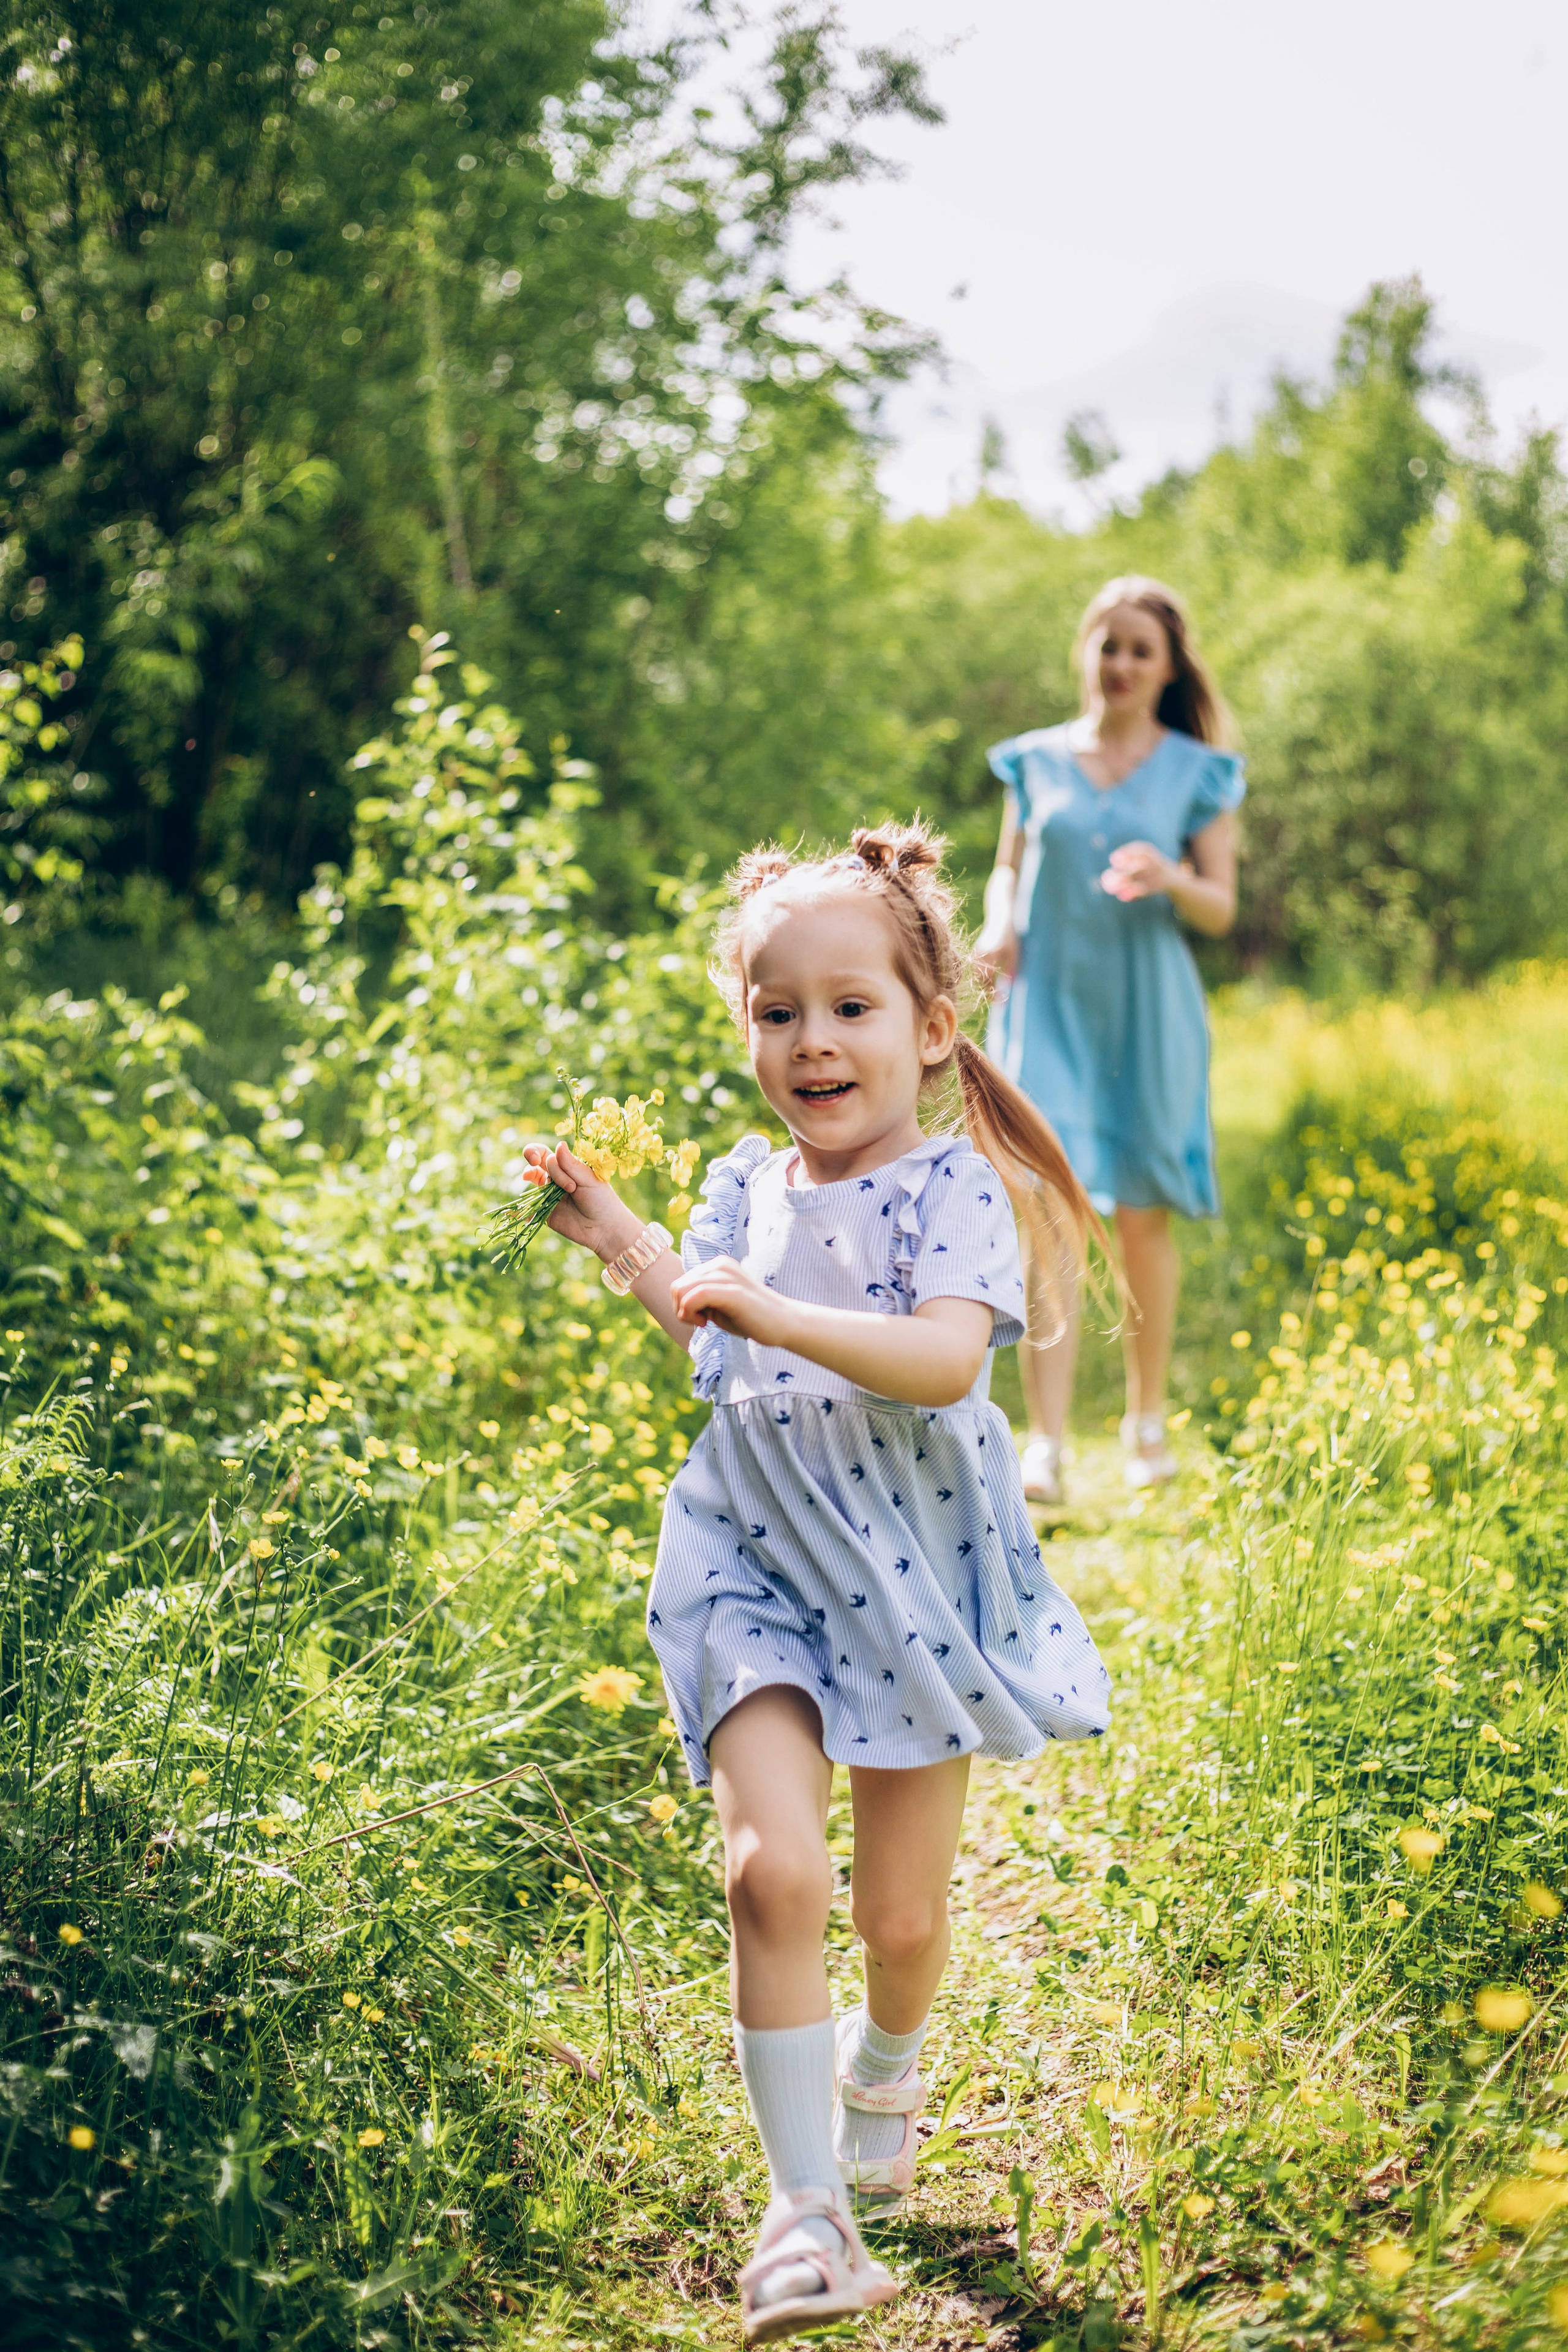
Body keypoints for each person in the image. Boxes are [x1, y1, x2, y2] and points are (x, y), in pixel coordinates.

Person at [522, 823, 1109, 2345]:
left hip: (906, 1571)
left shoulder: (949, 1189)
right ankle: (806, 2222)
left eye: (848, 1008)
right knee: (772, 1874)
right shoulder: (742, 1183)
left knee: (900, 1924)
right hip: (750, 1556)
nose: (811, 1040)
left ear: (928, 1028)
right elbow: (717, 1333)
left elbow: (935, 1359)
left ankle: (884, 2066)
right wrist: (626, 1244)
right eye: (776, 1012)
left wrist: (776, 1310)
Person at [974, 576, 1243, 1504]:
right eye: (1109, 643)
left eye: (1141, 650)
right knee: (1047, 1212)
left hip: (1148, 1011)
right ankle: (1045, 1444)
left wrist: (1170, 874)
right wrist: (995, 925)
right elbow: (1007, 870)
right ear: (1086, 649)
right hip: (1044, 1000)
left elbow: (1220, 905)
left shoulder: (1197, 770)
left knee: (1139, 1216)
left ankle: (1145, 1424)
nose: (1121, 663)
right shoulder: (1036, 762)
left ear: (1167, 671)